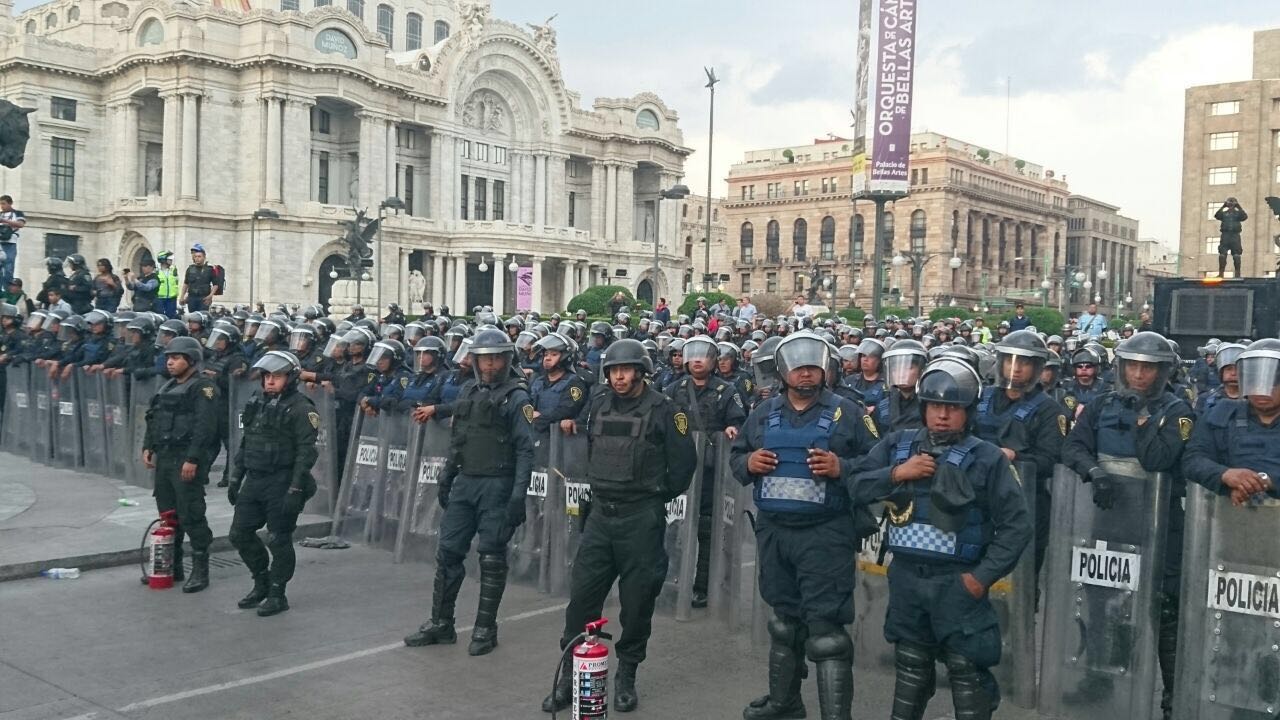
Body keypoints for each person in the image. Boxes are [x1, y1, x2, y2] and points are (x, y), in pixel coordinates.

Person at [853, 357, 1032, 720]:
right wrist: (897, 473)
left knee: (966, 669)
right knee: (911, 666)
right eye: (935, 406)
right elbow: (855, 486)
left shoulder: (987, 458)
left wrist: (980, 579)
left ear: (969, 412)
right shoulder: (898, 446)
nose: (943, 415)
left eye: (953, 408)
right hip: (906, 577)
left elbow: (1017, 526)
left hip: (959, 583)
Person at [542, 339, 697, 714]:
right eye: (613, 370)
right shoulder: (597, 403)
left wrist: (650, 496)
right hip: (599, 518)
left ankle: (626, 674)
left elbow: (682, 466)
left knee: (637, 603)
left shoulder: (666, 410)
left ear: (641, 371)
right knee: (581, 601)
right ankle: (570, 680)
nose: (619, 376)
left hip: (640, 520)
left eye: (626, 370)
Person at [731, 333, 878, 720]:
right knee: (783, 623)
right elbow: (737, 456)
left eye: (813, 365)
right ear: (783, 371)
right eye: (798, 366)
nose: (806, 373)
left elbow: (878, 466)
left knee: (826, 633)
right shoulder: (763, 413)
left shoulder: (851, 413)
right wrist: (748, 464)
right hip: (775, 533)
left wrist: (841, 468)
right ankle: (785, 704)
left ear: (825, 369)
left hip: (826, 535)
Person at [1060, 331, 1192, 720]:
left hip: (1159, 529)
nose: (1139, 375)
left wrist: (1141, 419)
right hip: (1111, 523)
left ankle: (1172, 700)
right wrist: (1094, 471)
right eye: (1132, 366)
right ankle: (1098, 680)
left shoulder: (1178, 411)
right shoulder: (1101, 405)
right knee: (1101, 605)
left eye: (1148, 368)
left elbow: (1157, 459)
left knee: (1163, 614)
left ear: (1163, 372)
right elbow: (1072, 447)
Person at [403, 328, 535, 656]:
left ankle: (485, 628)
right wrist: (448, 476)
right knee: (447, 554)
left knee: (491, 557)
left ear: (507, 360)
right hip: (466, 482)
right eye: (483, 359)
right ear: (474, 361)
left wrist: (519, 496)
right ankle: (441, 623)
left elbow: (525, 450)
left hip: (498, 485)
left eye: (496, 358)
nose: (489, 365)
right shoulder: (467, 391)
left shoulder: (517, 397)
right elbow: (459, 438)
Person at [227, 351, 319, 616]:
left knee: (278, 538)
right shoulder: (257, 402)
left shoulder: (302, 409)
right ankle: (261, 582)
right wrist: (235, 477)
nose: (269, 381)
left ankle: (278, 593)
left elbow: (306, 453)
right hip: (255, 479)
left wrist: (295, 488)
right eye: (267, 376)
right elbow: (248, 441)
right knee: (239, 533)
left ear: (290, 378)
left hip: (282, 480)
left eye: (276, 376)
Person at [973, 330, 1067, 576]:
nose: (1016, 369)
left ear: (1037, 368)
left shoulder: (1049, 409)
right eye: (1010, 361)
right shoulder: (982, 396)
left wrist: (1016, 457)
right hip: (976, 497)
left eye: (1024, 363)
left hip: (1024, 501)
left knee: (1021, 576)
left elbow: (1050, 460)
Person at [662, 335, 745, 608]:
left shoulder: (726, 391)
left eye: (704, 355)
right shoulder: (674, 389)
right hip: (678, 469)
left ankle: (702, 587)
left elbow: (737, 421)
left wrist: (732, 429)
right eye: (692, 354)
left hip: (710, 472)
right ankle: (671, 581)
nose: (697, 360)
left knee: (707, 530)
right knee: (673, 526)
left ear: (713, 360)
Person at [141, 336, 220, 594]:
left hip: (186, 458)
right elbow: (154, 417)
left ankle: (200, 570)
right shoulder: (167, 387)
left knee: (191, 514)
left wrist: (193, 459)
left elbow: (205, 427)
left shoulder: (204, 387)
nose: (170, 362)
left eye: (176, 358)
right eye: (168, 358)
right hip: (166, 457)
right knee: (168, 515)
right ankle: (172, 567)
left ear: (191, 360)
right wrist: (148, 446)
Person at [1185, 338, 1280, 504]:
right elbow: (1193, 459)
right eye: (1255, 380)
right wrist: (1225, 475)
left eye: (1272, 382)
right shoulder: (1220, 415)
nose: (1262, 390)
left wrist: (1266, 480)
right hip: (1225, 522)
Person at [870, 339, 927, 435]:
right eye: (896, 368)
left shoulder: (930, 405)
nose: (901, 373)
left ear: (921, 370)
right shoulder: (883, 406)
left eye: (909, 367)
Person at [1214, 197, 1247, 277]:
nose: (1231, 205)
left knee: (1236, 255)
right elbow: (1217, 215)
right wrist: (1223, 206)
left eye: (1233, 203)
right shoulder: (1224, 214)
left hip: (1235, 235)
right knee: (1222, 254)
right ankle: (1221, 273)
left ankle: (1237, 274)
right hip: (1225, 235)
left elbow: (1244, 217)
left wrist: (1238, 206)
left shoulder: (1238, 214)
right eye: (1230, 203)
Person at [180, 244, 219, 312]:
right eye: (195, 257)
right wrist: (182, 296)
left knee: (203, 316)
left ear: (204, 257)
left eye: (199, 256)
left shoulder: (210, 269)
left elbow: (216, 284)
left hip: (204, 298)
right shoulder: (190, 269)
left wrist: (210, 296)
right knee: (192, 317)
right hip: (192, 298)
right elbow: (186, 284)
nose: (197, 258)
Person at [0, 194, 25, 287]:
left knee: (8, 267)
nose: (2, 206)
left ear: (10, 204)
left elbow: (21, 224)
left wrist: (4, 221)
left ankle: (7, 288)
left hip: (10, 243)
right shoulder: (1, 214)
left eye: (4, 204)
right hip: (1, 243)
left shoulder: (17, 213)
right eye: (1, 204)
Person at [155, 251, 181, 318]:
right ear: (163, 260)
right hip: (160, 298)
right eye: (169, 259)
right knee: (160, 317)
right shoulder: (156, 271)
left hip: (172, 298)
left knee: (171, 317)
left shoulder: (173, 270)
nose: (171, 260)